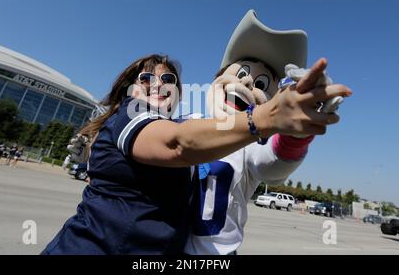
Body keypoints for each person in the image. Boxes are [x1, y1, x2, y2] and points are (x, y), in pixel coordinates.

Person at [42, 53, 350, 255]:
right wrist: (267, 118)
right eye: (146, 78)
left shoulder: (229, 137)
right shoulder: (139, 118)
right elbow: (177, 144)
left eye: (168, 80)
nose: (158, 85)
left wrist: (298, 130)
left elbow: (274, 163)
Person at [184, 10, 348, 255]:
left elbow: (272, 165)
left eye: (261, 85)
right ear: (217, 78)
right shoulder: (187, 123)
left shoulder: (250, 143)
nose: (249, 84)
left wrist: (296, 134)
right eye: (241, 74)